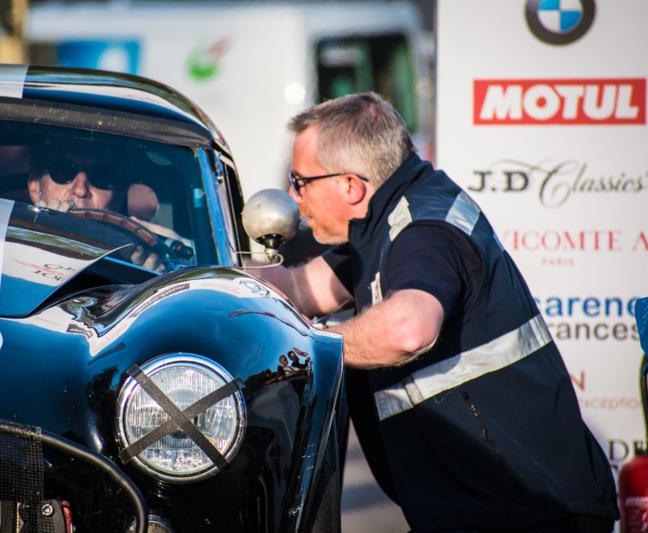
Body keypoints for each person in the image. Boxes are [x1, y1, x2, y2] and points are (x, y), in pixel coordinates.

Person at [257, 93, 618, 532]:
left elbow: (409, 329)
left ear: (350, 185)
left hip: (529, 511)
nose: (294, 197)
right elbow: (301, 287)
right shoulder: (381, 226)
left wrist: (305, 345)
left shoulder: (425, 230)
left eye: (300, 181)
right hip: (478, 509)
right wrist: (207, 281)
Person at [27, 147, 163, 270]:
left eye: (102, 175)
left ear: (120, 196)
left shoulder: (133, 257)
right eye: (62, 171)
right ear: (34, 185)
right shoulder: (13, 249)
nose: (80, 190)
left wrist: (144, 276)